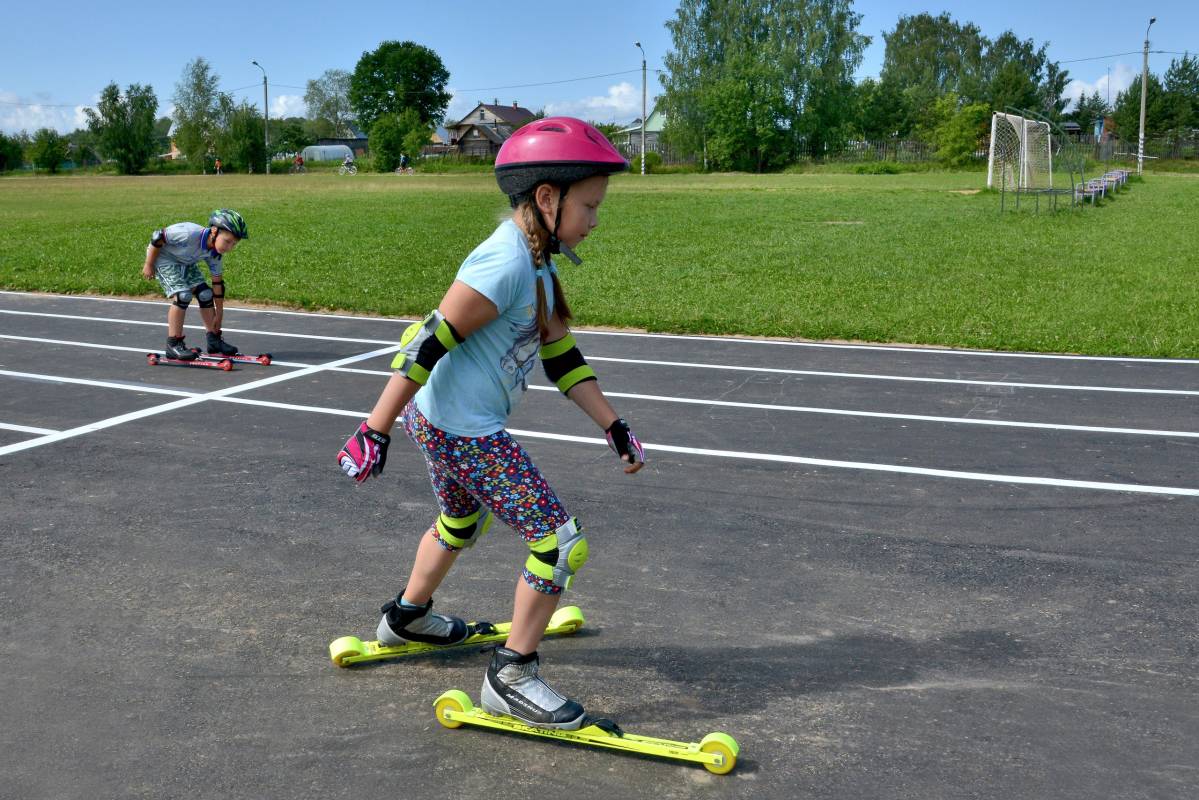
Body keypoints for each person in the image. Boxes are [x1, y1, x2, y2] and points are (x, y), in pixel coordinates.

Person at [337, 117, 642, 730]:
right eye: (590, 205)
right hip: (460, 429)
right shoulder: (504, 261)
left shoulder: (540, 264)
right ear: (548, 198)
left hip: (444, 422)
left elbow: (561, 356)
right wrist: (374, 428)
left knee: (459, 518)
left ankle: (406, 617)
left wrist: (612, 426)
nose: (595, 220)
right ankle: (512, 675)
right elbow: (427, 343)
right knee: (558, 541)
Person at [141, 209, 248, 360]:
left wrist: (220, 314)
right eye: (227, 241)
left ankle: (214, 340)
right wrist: (149, 264)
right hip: (163, 258)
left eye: (234, 244)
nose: (229, 247)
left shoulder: (215, 253)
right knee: (183, 295)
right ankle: (173, 344)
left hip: (186, 261)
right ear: (214, 231)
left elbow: (217, 283)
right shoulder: (189, 233)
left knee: (206, 294)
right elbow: (157, 237)